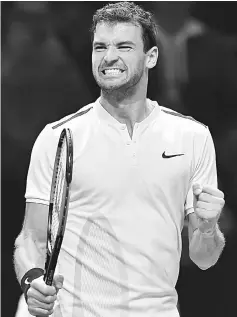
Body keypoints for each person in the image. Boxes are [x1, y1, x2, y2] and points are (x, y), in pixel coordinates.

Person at [14, 2, 225, 317]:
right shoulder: (58, 136)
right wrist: (32, 280)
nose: (108, 57)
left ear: (150, 57)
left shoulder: (192, 137)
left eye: (123, 46)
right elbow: (31, 237)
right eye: (100, 47)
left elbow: (204, 258)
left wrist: (208, 228)